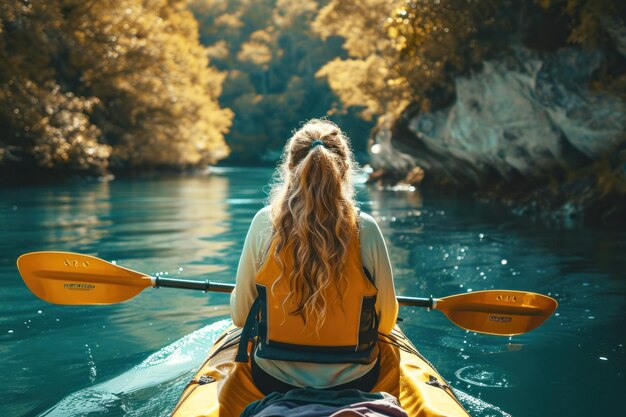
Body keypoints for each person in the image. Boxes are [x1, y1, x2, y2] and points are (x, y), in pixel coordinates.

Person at [230, 118, 398, 395]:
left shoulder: (264, 223)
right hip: (356, 378)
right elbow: (387, 323)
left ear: (289, 167)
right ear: (345, 170)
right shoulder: (365, 228)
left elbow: (240, 317)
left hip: (272, 379)